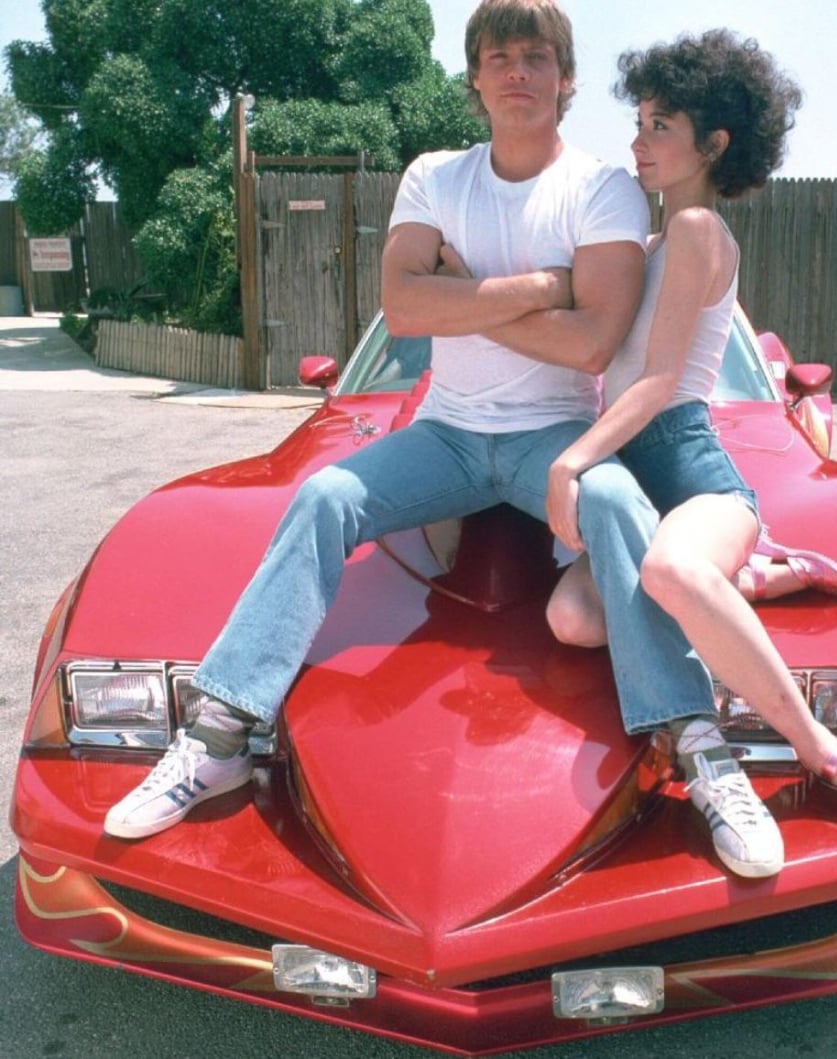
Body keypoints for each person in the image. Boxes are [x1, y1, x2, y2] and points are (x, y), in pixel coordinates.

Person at [104, 0, 649, 840]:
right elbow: (401, 306)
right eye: (498, 56)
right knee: (324, 495)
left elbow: (593, 347)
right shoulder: (435, 174)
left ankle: (689, 735)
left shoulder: (603, 187)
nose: (516, 71)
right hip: (449, 436)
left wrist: (459, 296)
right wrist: (548, 286)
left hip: (554, 437)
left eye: (535, 56)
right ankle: (218, 735)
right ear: (473, 78)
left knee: (617, 504)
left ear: (564, 78)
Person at [542, 29, 837, 837]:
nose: (637, 141)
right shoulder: (649, 244)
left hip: (689, 467)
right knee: (572, 620)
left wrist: (572, 460)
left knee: (673, 568)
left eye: (660, 125)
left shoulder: (697, 234)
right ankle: (760, 575)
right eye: (639, 122)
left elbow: (657, 383)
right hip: (630, 476)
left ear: (714, 143)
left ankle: (826, 750)